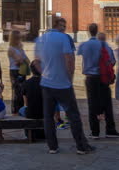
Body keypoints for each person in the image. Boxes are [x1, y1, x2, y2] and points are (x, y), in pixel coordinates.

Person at [34, 17, 94, 155]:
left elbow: (36, 62)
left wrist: (45, 74)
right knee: (73, 115)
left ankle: (52, 147)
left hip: (46, 84)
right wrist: (69, 78)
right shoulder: (63, 38)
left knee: (48, 116)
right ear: (57, 25)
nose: (64, 28)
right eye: (63, 25)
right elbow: (70, 59)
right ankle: (81, 146)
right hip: (62, 84)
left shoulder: (40, 39)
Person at [77, 23, 119, 139]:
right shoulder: (103, 44)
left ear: (88, 31)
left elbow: (79, 54)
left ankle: (95, 131)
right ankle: (110, 129)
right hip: (103, 77)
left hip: (90, 78)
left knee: (92, 104)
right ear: (97, 31)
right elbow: (112, 61)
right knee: (107, 104)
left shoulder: (84, 45)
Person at [20, 61, 45, 140]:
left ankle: (29, 132)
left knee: (21, 110)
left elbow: (26, 103)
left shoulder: (26, 83)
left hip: (31, 113)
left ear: (31, 70)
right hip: (44, 112)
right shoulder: (47, 82)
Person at [7, 30, 29, 115]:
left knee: (23, 91)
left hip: (22, 71)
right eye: (18, 37)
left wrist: (22, 59)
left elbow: (27, 60)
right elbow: (19, 60)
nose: (20, 39)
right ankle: (15, 111)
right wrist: (22, 59)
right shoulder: (11, 49)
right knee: (17, 92)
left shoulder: (19, 48)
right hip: (15, 71)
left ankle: (21, 109)